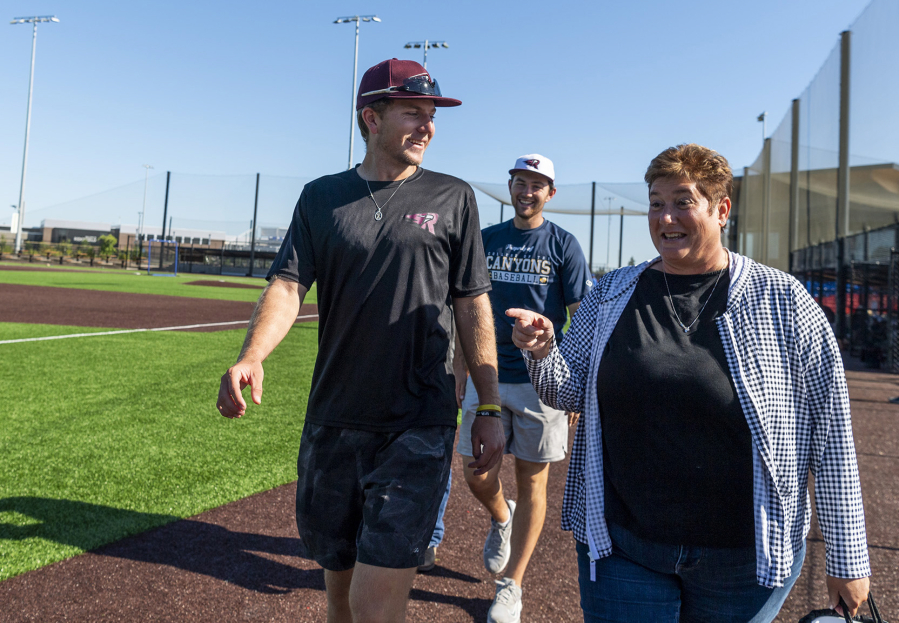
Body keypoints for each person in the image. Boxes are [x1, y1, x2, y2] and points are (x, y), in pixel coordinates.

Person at [508, 143, 871, 622]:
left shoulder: (785, 301)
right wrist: (541, 351)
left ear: (721, 210)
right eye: (656, 203)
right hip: (624, 545)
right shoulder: (612, 293)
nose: (665, 217)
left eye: (683, 201)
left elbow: (831, 437)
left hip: (744, 560)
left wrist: (847, 559)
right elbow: (566, 391)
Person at [216, 58, 505, 623]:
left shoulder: (454, 197)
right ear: (371, 117)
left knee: (376, 603)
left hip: (417, 422)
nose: (428, 126)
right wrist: (252, 355)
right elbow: (289, 283)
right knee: (340, 593)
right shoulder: (321, 197)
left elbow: (473, 303)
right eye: (413, 113)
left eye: (432, 115)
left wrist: (488, 404)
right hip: (333, 420)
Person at [453, 154, 591, 623]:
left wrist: (570, 382)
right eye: (520, 182)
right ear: (510, 186)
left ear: (549, 194)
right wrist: (459, 374)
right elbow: (465, 315)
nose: (526, 190)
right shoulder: (486, 240)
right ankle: (500, 515)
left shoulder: (564, 245)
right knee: (476, 471)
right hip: (486, 376)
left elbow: (583, 319)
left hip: (540, 386)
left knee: (534, 483)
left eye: (537, 185)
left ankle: (512, 585)